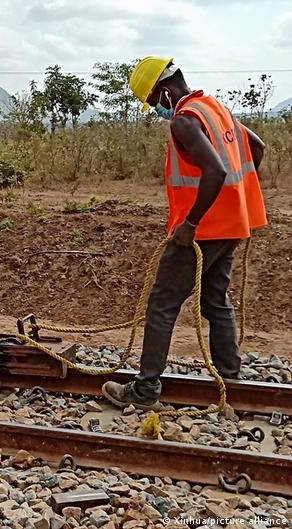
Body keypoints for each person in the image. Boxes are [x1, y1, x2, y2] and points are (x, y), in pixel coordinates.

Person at [102, 57, 267, 410]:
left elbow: (215, 171)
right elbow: (257, 148)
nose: (154, 110)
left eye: (151, 103)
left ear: (163, 91)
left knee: (162, 304)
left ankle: (144, 391)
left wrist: (190, 222)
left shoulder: (185, 120)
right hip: (233, 225)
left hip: (201, 232)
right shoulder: (215, 108)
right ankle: (231, 377)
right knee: (215, 302)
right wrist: (237, 197)